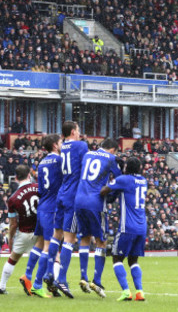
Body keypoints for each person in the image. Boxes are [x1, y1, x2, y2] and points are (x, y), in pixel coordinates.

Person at [73, 138, 122, 298]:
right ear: (113, 149)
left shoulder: (87, 154)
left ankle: (83, 276)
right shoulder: (111, 158)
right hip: (95, 202)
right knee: (101, 240)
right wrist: (111, 196)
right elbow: (119, 180)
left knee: (84, 237)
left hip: (79, 199)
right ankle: (97, 280)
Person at [100, 157, 147, 302]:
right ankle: (139, 291)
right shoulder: (143, 180)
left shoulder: (124, 180)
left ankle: (126, 291)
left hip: (127, 227)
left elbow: (104, 191)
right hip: (142, 227)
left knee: (116, 258)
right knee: (133, 260)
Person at [0, 165, 47, 296]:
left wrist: (11, 237)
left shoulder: (12, 199)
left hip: (24, 233)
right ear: (29, 175)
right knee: (48, 255)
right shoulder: (38, 188)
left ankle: (1, 287)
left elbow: (13, 224)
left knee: (12, 259)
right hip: (40, 231)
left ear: (16, 178)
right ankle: (41, 283)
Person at [54, 121, 90, 298]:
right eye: (78, 129)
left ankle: (47, 275)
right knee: (70, 239)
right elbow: (89, 165)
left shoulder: (63, 146)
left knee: (56, 236)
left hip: (62, 192)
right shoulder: (81, 145)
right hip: (73, 196)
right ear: (73, 131)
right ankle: (61, 279)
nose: (80, 132)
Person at [31, 134, 63, 297]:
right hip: (52, 207)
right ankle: (38, 283)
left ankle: (32, 277)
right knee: (49, 246)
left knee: (41, 243)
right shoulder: (59, 160)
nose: (63, 145)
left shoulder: (42, 162)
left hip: (43, 204)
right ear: (55, 146)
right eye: (61, 142)